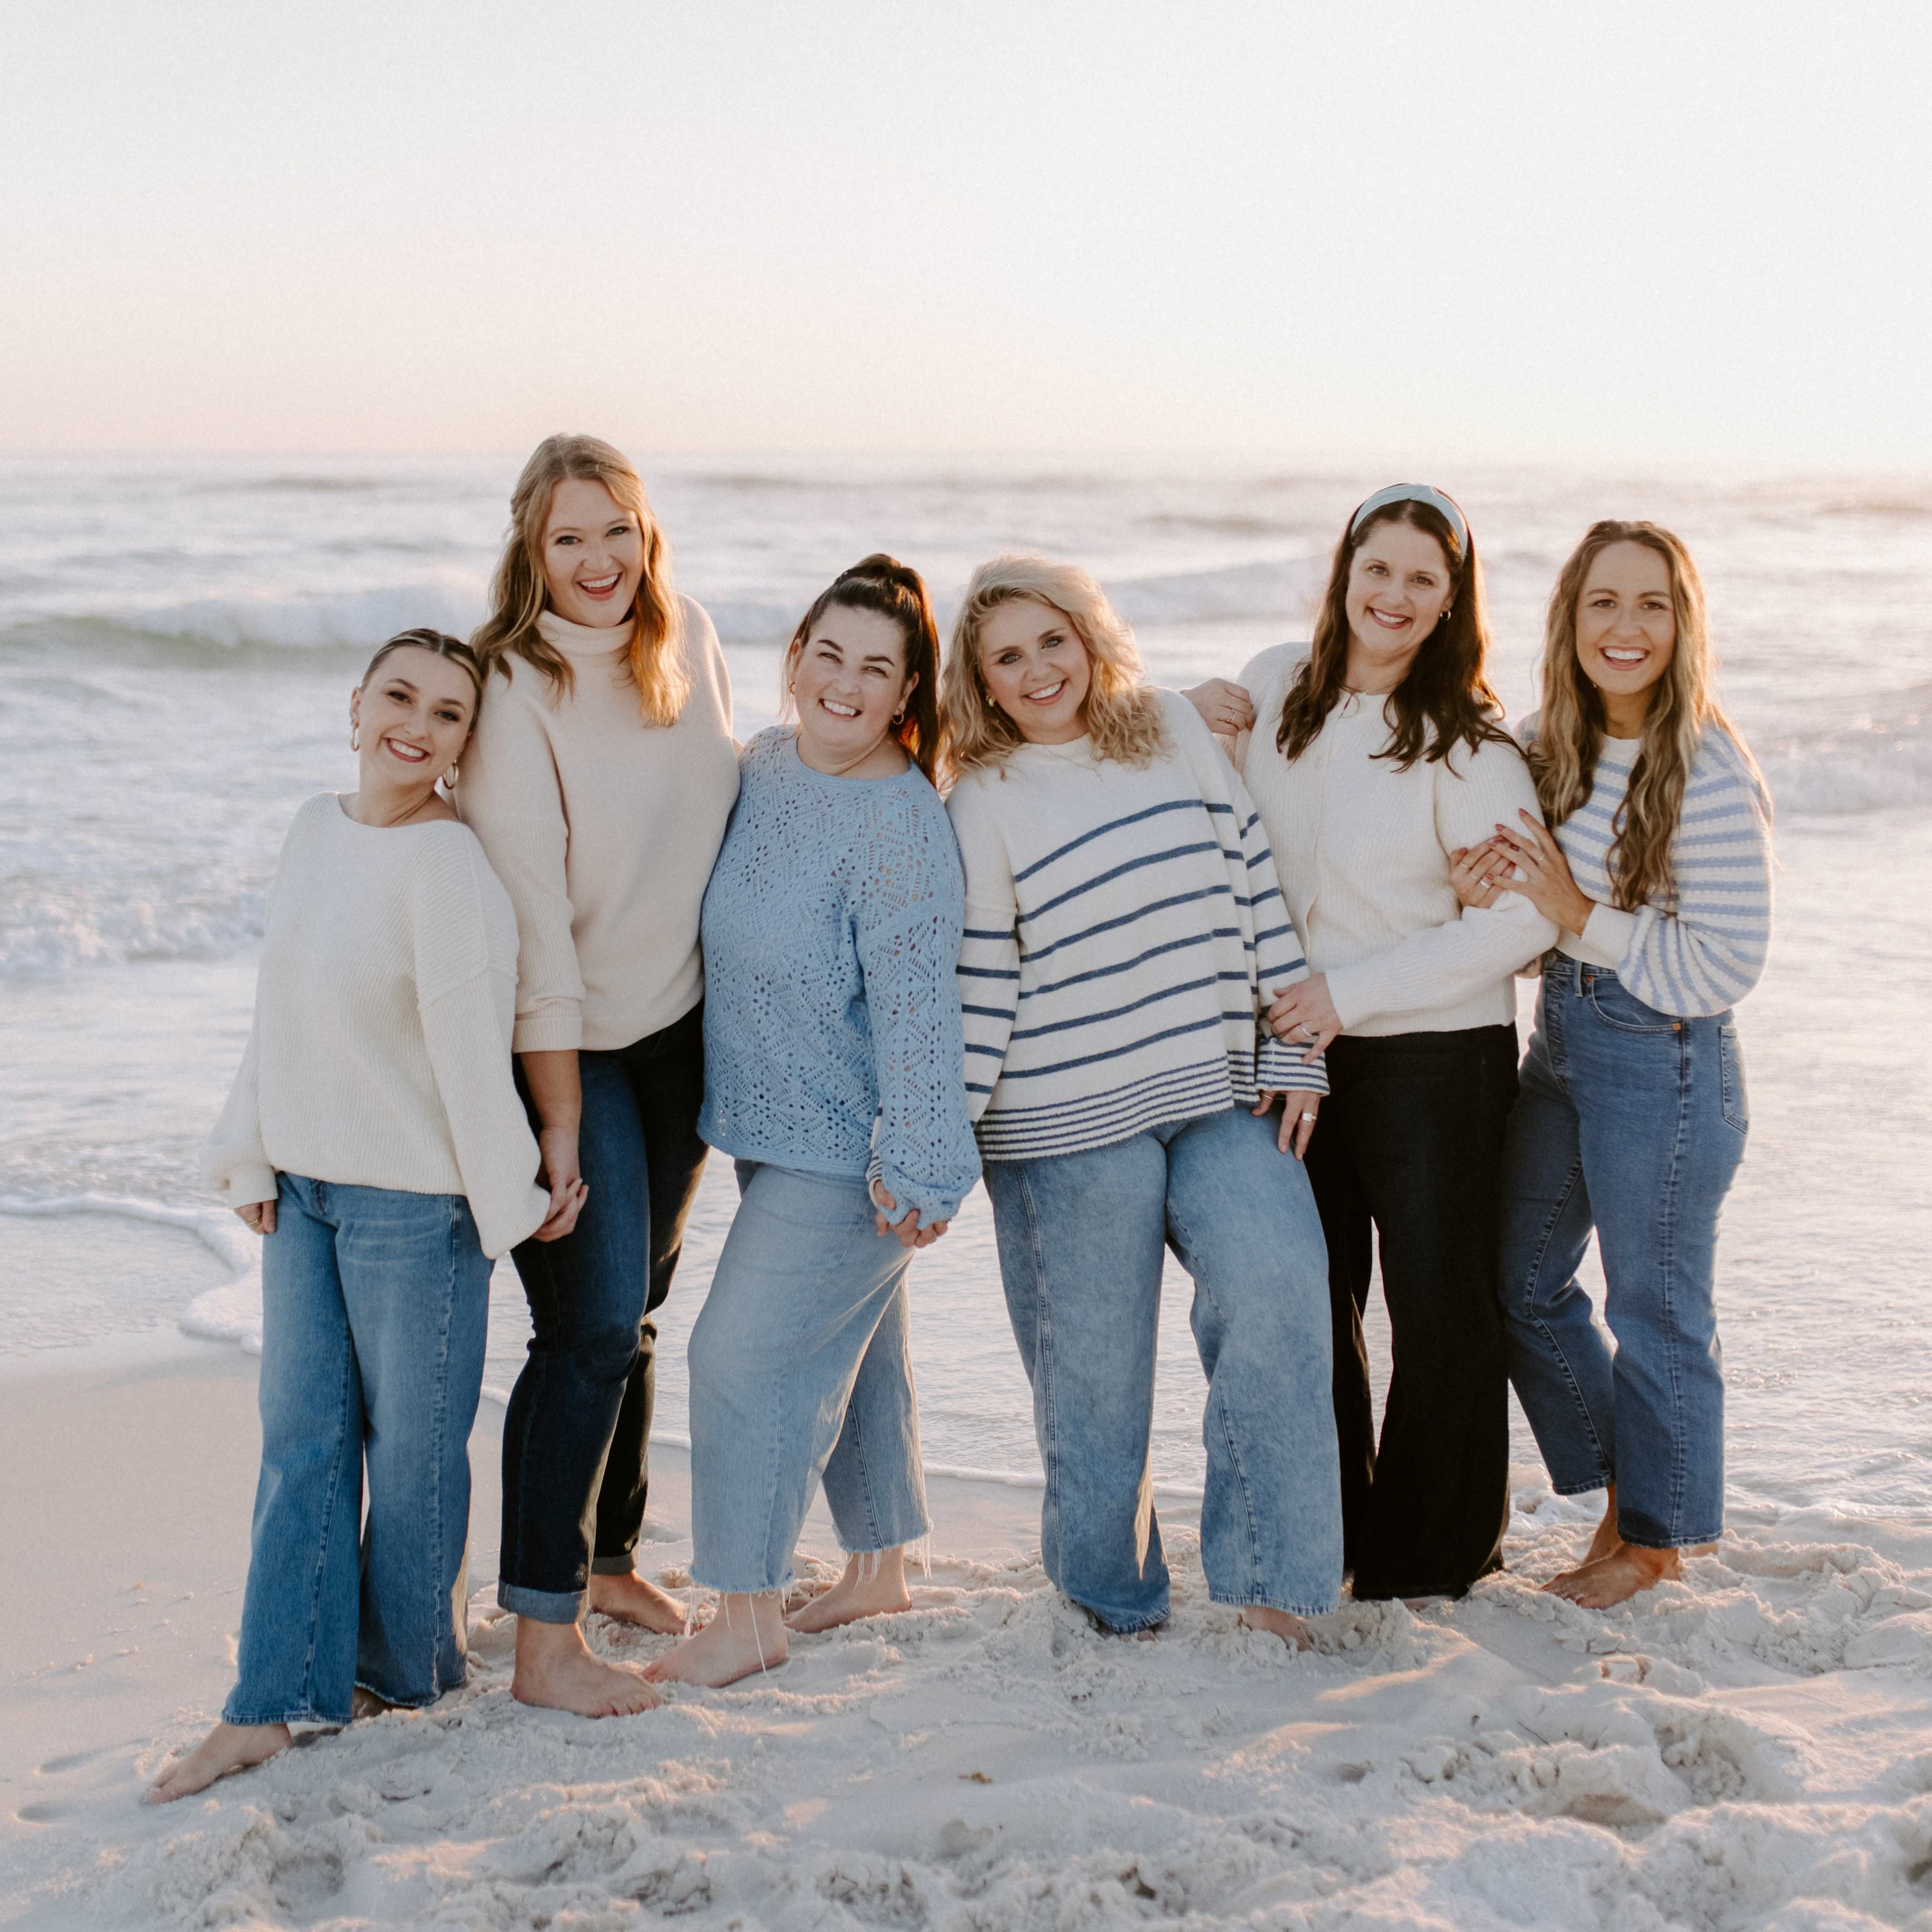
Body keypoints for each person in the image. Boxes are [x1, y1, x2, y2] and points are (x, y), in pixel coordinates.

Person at [151, 630, 566, 1802]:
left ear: (462, 745)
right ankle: (278, 1697)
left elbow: (469, 1045)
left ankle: (410, 1678)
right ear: (356, 706)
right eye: (400, 697)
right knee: (302, 1446)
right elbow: (278, 1006)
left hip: (417, 1207)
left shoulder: (449, 866)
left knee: (416, 1454)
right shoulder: (309, 828)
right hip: (307, 1191)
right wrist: (246, 1148)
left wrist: (510, 1199)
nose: (418, 725)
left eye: (447, 714)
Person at [941, 553, 1340, 1646]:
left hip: (1216, 1093)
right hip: (1061, 1122)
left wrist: (1297, 1052)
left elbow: (1257, 890)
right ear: (978, 680)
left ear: (1090, 636)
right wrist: (946, 1141)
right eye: (1006, 657)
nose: (1037, 671)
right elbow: (983, 984)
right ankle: (1110, 1598)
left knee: (1278, 1290)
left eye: (1051, 642)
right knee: (1096, 1380)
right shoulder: (983, 799)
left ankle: (1273, 1586)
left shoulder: (1171, 729)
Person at [1185, 485, 1556, 1601]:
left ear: (1451, 604)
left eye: (1421, 581)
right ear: (1344, 571)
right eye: (1377, 569)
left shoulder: (1470, 742)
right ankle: (1331, 1532)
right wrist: (1177, 708)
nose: (1393, 596)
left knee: (1438, 1307)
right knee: (1315, 1293)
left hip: (1436, 1056)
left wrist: (1348, 991)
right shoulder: (1271, 690)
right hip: (1297, 1049)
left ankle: (1430, 1561)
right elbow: (1183, 793)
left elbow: (1525, 916)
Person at [644, 556, 978, 1687]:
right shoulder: (767, 766)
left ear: (905, 696)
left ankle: (743, 1617)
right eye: (827, 654)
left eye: (875, 669)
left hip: (854, 1155)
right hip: (766, 1128)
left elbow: (923, 1011)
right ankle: (881, 1562)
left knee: (738, 1359)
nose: (844, 682)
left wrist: (921, 1166)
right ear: (793, 661)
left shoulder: (902, 826)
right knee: (860, 1343)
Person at [456, 434, 739, 1715]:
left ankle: (612, 1562)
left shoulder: (691, 644)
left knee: (636, 1315)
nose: (598, 561)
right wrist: (557, 1122)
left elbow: (758, 791)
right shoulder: (512, 687)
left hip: (681, 1028)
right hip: (564, 1041)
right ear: (531, 549)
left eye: (617, 528)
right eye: (568, 537)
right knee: (582, 1331)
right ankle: (543, 1641)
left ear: (647, 529)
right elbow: (528, 925)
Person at [1461, 520, 1772, 1608]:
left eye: (1652, 604)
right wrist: (1482, 878)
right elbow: (1530, 896)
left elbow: (1727, 961)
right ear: (1571, 619)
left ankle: (1655, 1542)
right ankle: (1622, 1498)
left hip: (1667, 1057)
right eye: (1604, 603)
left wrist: (1579, 916)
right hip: (1563, 1042)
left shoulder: (1708, 769)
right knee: (1519, 1279)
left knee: (1656, 1306)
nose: (1626, 627)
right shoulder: (1551, 740)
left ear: (1683, 625)